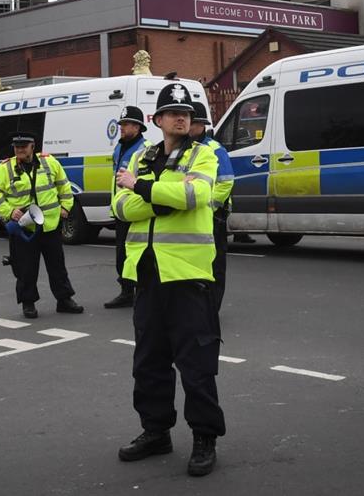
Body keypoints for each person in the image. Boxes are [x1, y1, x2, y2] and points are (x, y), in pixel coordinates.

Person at [112, 82, 225, 477]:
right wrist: (160, 196)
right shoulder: (141, 155)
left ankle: (204, 437)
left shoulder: (204, 155)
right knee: (149, 361)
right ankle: (155, 431)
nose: (182, 117)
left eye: (187, 113)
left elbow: (194, 197)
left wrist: (143, 189)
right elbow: (120, 206)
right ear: (157, 120)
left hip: (187, 274)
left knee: (196, 362)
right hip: (146, 272)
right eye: (173, 112)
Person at [0, 132, 84, 319]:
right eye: (17, 147)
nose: (20, 150)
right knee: (26, 269)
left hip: (49, 225)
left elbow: (64, 186)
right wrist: (9, 211)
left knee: (57, 266)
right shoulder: (4, 168)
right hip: (25, 228)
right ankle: (28, 303)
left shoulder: (49, 162)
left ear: (33, 146)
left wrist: (65, 207)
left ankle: (64, 300)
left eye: (24, 146)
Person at [188, 101, 234, 310]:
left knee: (215, 264)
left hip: (213, 215)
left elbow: (225, 182)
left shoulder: (214, 148)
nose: (189, 126)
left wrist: (208, 205)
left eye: (194, 123)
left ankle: (213, 306)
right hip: (194, 216)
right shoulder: (184, 148)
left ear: (202, 125)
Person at [104, 106, 150, 309]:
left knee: (137, 252)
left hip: (136, 210)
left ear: (138, 127)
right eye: (121, 123)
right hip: (121, 210)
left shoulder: (146, 149)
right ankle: (126, 291)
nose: (122, 127)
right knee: (121, 252)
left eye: (127, 124)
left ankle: (140, 289)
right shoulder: (119, 147)